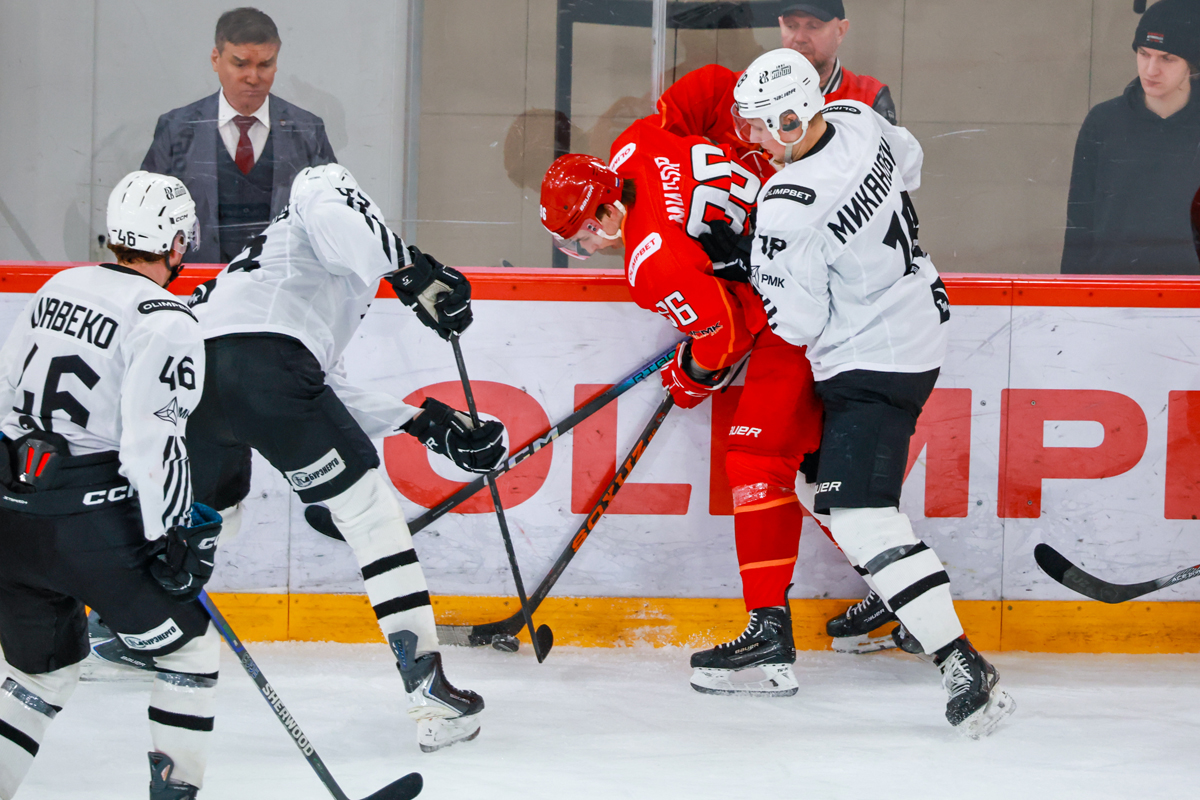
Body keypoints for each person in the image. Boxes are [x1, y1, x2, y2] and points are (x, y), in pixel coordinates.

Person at [736, 48, 1015, 737]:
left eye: (761, 126)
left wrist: (760, 271)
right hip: (918, 319)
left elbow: (797, 324)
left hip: (873, 364)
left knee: (862, 516)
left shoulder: (785, 204)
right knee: (815, 482)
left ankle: (959, 660)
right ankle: (902, 593)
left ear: (793, 120)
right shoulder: (856, 118)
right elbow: (911, 163)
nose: (753, 139)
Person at [184, 163, 503, 754]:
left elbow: (310, 386)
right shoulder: (325, 197)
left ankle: (124, 630)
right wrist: (412, 269)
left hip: (194, 386)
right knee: (370, 517)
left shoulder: (276, 268)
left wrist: (421, 421)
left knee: (210, 517)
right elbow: (326, 207)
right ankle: (428, 689)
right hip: (262, 370)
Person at [540, 115, 825, 697]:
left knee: (756, 464)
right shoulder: (633, 143)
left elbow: (726, 338)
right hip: (813, 255)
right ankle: (896, 593)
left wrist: (690, 378)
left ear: (606, 212)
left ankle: (770, 632)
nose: (586, 249)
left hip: (793, 312)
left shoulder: (650, 263)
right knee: (823, 476)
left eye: (583, 237)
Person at [0, 171, 222, 798]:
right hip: (92, 530)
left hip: (12, 518)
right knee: (188, 655)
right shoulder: (167, 318)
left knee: (39, 678)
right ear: (176, 242)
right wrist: (172, 533)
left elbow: (6, 397)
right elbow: (153, 442)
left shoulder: (59, 286)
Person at [141, 7, 336, 264]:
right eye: (240, 64)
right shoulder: (176, 129)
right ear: (215, 59)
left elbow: (334, 215)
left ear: (276, 63)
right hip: (195, 283)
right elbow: (146, 218)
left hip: (284, 283)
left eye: (265, 64)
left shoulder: (307, 130)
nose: (253, 77)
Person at [1062, 0, 1200, 275]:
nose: (1151, 70)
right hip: (1112, 290)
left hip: (1190, 292)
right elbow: (1080, 223)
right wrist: (1071, 294)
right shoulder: (1104, 121)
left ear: (1191, 65)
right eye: (1144, 54)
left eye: (1167, 58)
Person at [779, 1, 897, 124]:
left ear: (840, 31)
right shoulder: (764, 93)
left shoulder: (869, 97)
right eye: (791, 26)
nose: (800, 38)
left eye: (813, 26)